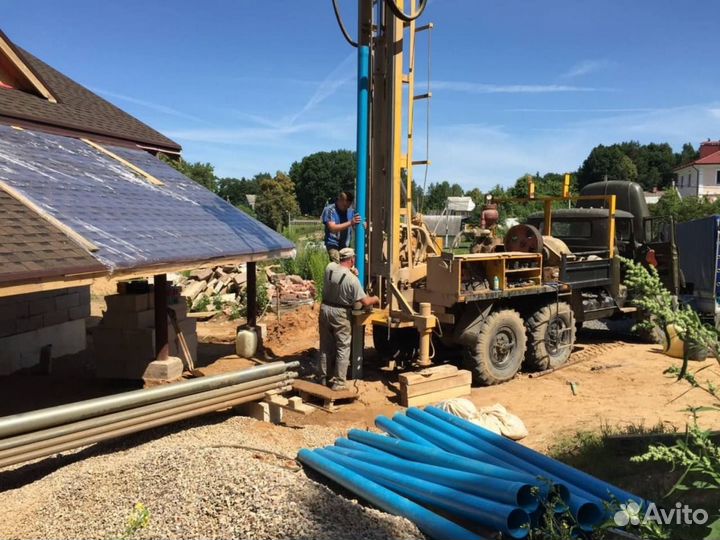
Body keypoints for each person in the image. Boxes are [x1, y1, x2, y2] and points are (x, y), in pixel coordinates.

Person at [318, 247, 379, 390]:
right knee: (343, 347)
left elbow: (339, 271)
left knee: (325, 346)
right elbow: (364, 302)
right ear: (352, 260)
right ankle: (339, 382)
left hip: (325, 309)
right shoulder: (352, 280)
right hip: (340, 313)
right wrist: (375, 298)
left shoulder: (329, 268)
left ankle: (323, 377)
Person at [321, 192, 362, 263]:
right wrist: (351, 222)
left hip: (345, 244)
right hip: (333, 244)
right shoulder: (330, 210)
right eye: (344, 205)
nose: (346, 208)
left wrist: (363, 224)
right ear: (339, 200)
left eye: (348, 206)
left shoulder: (350, 211)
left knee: (348, 265)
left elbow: (356, 225)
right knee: (337, 264)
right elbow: (332, 228)